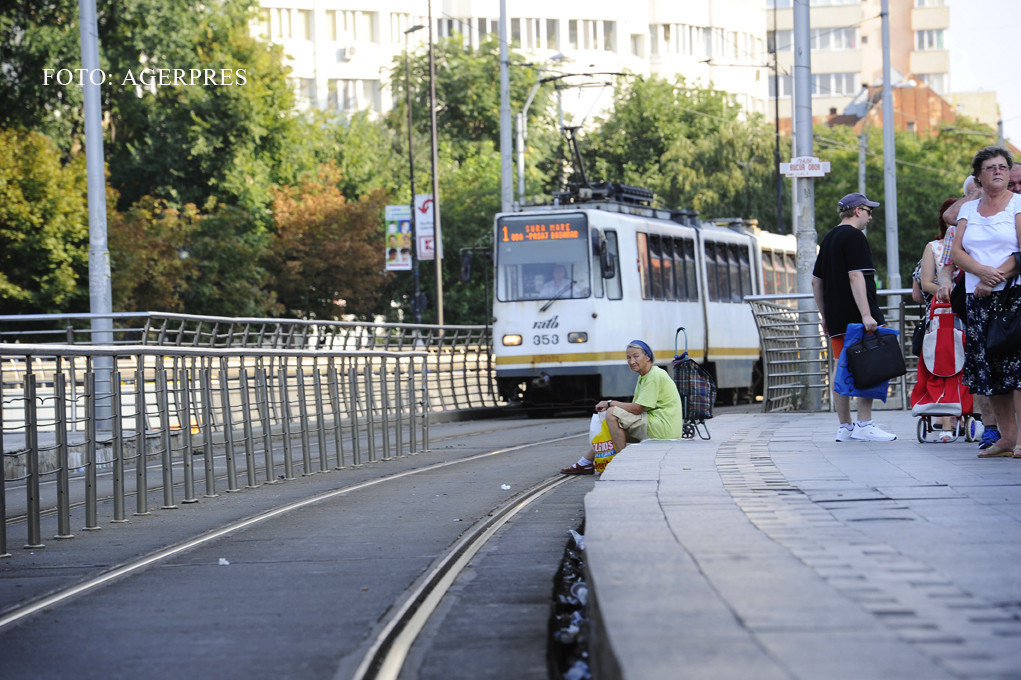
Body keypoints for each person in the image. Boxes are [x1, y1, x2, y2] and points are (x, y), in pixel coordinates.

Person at [945, 146, 1021, 458]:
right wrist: (980, 272)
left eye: (1003, 166)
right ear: (978, 175)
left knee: (1017, 370)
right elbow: (956, 252)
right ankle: (1007, 439)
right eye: (991, 167)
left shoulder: (1018, 204)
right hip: (976, 298)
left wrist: (991, 280)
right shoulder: (969, 209)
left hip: (1012, 297)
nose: (998, 172)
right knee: (991, 369)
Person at [811, 192, 897, 442]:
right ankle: (864, 424)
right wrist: (866, 314)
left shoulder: (828, 238)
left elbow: (816, 282)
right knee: (869, 365)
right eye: (869, 212)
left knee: (841, 367)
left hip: (836, 317)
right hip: (858, 315)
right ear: (858, 210)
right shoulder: (855, 237)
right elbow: (855, 275)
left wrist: (824, 316)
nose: (870, 217)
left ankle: (845, 427)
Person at [937, 175, 1000, 449]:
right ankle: (991, 427)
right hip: (976, 299)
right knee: (982, 362)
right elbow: (947, 265)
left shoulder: (1010, 213)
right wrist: (945, 282)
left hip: (1008, 295)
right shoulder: (962, 220)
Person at [560, 340, 684, 474]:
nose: (631, 361)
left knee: (612, 413)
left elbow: (637, 409)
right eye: (628, 357)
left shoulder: (654, 376)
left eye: (636, 356)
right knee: (609, 427)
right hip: (657, 424)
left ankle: (623, 462)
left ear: (648, 357)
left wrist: (610, 403)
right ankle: (584, 463)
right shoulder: (644, 376)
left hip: (663, 427)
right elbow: (634, 410)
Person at [911, 196, 961, 442]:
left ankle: (971, 416)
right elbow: (925, 283)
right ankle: (947, 420)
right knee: (945, 363)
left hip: (965, 310)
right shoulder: (934, 247)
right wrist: (948, 291)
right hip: (943, 313)